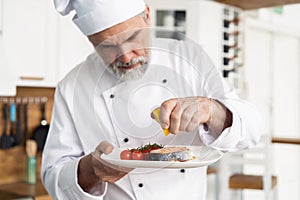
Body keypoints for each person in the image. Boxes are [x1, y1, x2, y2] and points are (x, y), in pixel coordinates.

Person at [41, 0, 261, 199]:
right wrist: (90, 170)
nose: (126, 56)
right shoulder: (71, 87)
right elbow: (53, 179)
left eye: (132, 37)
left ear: (148, 15)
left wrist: (211, 110)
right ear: (90, 41)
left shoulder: (190, 58)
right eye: (107, 46)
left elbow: (251, 131)